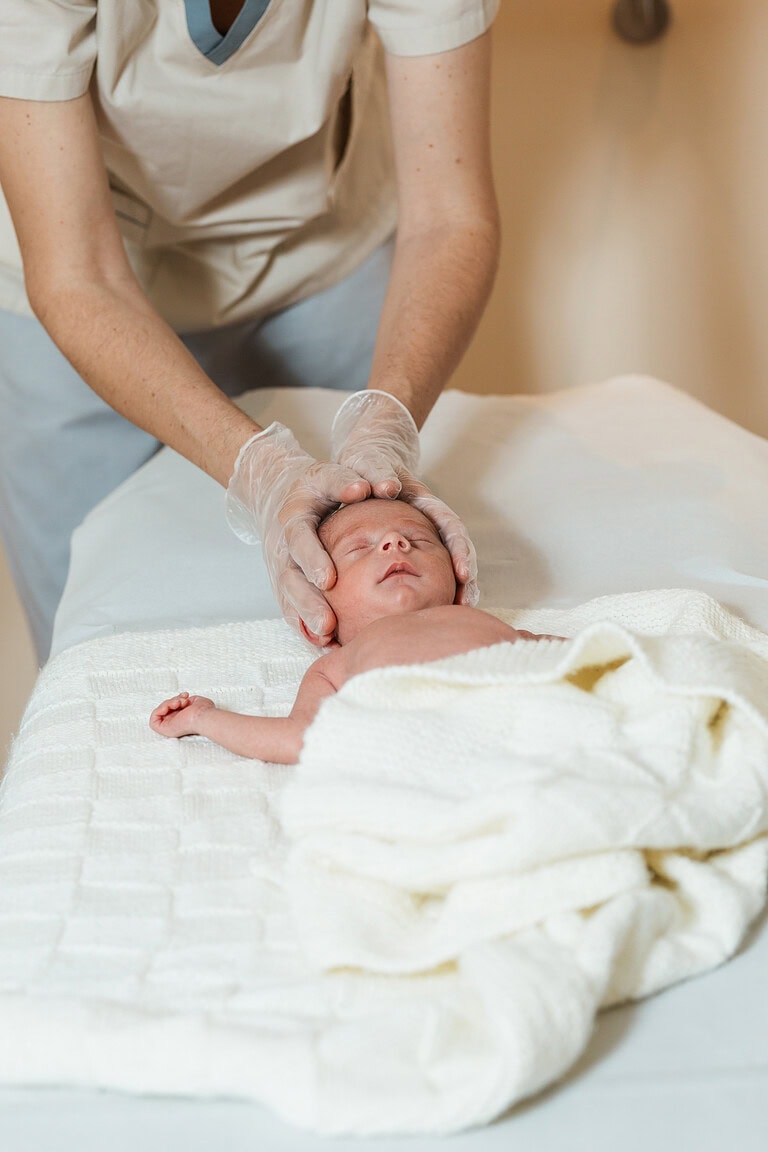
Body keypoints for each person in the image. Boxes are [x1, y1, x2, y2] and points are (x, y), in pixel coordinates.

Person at [0, 2, 502, 663]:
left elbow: (449, 218)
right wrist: (261, 474)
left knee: (340, 539)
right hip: (89, 285)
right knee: (103, 638)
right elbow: (78, 278)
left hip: (324, 254)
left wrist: (387, 419)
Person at [150, 498, 562, 764]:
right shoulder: (337, 664)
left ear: (458, 578)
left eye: (420, 539)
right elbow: (299, 739)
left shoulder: (484, 624)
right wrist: (205, 719)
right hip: (426, 762)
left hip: (528, 744)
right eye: (358, 548)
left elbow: (578, 660)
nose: (396, 543)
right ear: (316, 614)